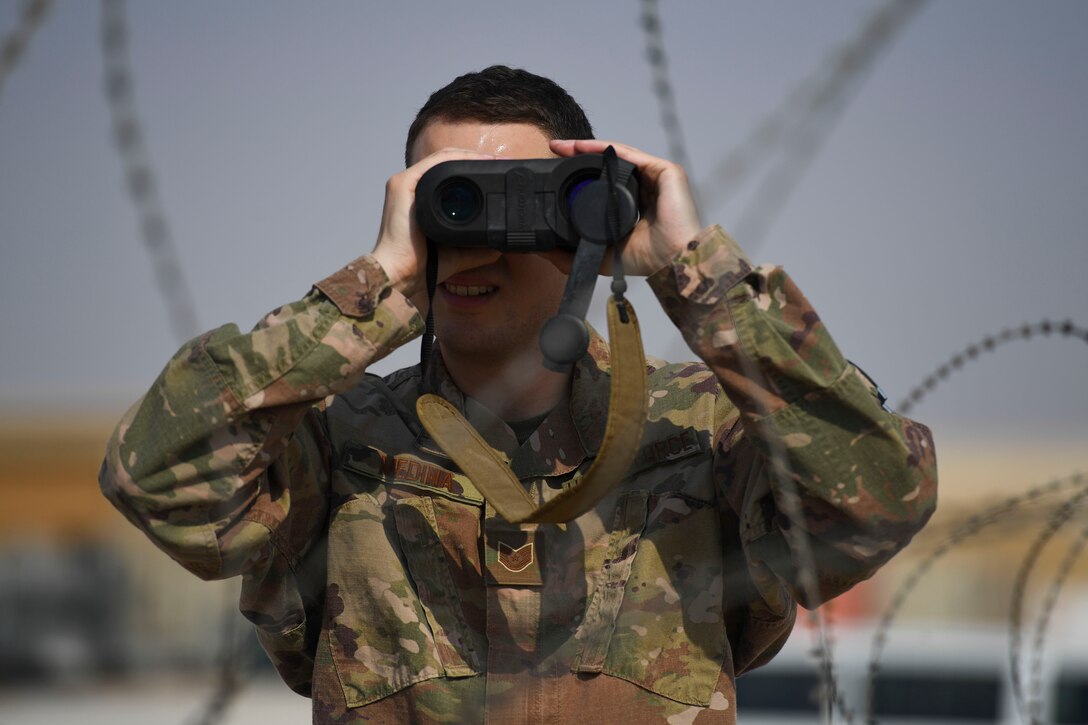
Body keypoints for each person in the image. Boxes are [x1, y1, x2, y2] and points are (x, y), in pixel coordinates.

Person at [98, 65, 937, 724]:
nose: (477, 247)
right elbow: (160, 482)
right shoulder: (330, 443)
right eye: (453, 203)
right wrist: (375, 285)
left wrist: (700, 275)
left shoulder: (704, 433)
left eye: (520, 209)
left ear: (586, 221)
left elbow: (875, 506)